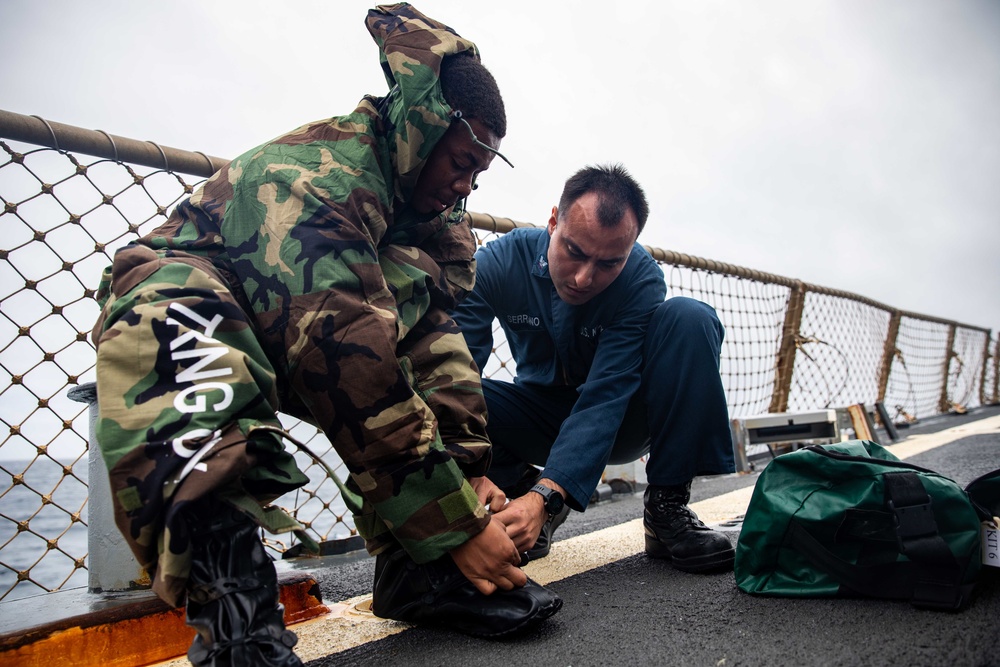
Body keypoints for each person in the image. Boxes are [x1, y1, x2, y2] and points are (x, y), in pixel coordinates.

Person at [91, 5, 560, 664]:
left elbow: (430, 336)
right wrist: (455, 522)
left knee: (439, 353)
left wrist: (470, 474)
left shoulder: (422, 214)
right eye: (458, 163)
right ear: (422, 130)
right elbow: (351, 365)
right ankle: (240, 628)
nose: (463, 186)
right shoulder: (320, 179)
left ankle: (418, 575)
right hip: (195, 284)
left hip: (306, 320)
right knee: (193, 382)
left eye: (477, 176)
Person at [452, 164, 737, 573]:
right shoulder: (497, 262)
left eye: (609, 264)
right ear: (553, 222)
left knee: (689, 318)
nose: (584, 278)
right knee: (457, 387)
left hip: (623, 420)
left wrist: (550, 495)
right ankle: (516, 493)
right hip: (541, 419)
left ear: (632, 247)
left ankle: (667, 509)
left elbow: (607, 393)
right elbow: (456, 373)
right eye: (575, 252)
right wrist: (470, 473)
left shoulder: (641, 278)